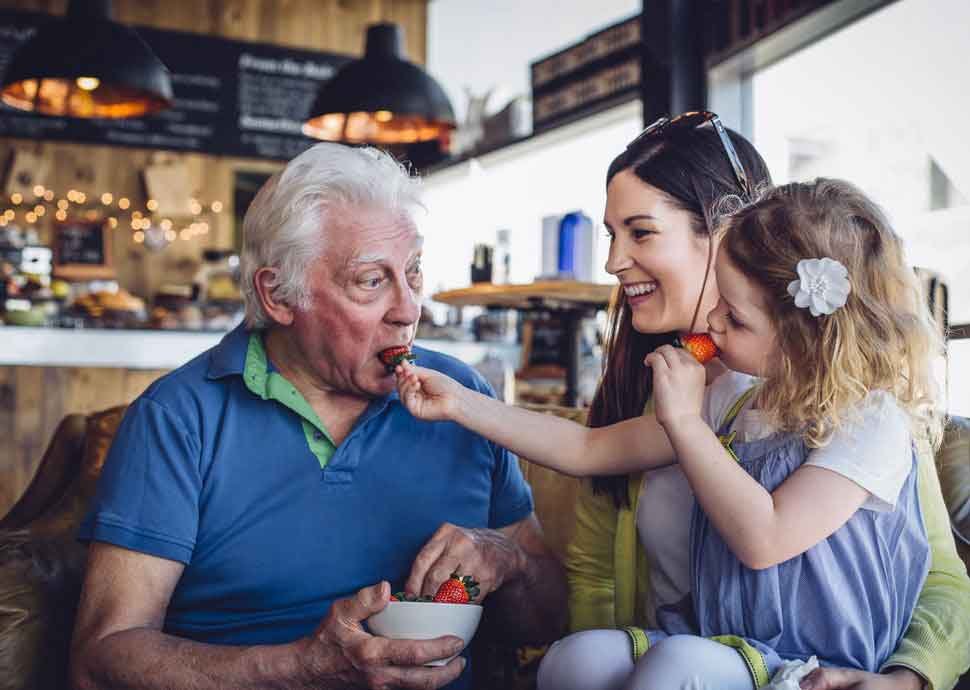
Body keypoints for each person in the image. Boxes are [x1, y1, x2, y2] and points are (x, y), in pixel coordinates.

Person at [395, 177, 941, 687]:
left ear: (807, 339)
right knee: (574, 659)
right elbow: (590, 448)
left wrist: (684, 421)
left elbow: (765, 539)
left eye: (735, 317)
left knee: (678, 666)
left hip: (813, 662)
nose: (713, 324)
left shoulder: (870, 423)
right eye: (718, 303)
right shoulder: (736, 403)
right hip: (722, 640)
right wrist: (463, 403)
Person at [68, 143, 567, 690]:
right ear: (279, 295)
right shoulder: (177, 420)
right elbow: (101, 656)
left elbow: (548, 618)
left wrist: (508, 560)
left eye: (413, 272)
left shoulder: (462, 397)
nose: (408, 310)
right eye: (371, 281)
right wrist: (300, 667)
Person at [562, 113, 970, 690]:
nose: (612, 262)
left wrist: (908, 679)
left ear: (728, 229)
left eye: (641, 232)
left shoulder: (851, 405)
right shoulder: (655, 389)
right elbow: (594, 577)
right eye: (611, 234)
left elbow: (940, 579)